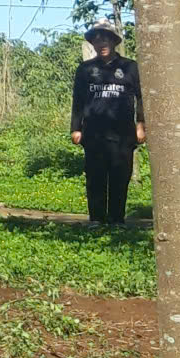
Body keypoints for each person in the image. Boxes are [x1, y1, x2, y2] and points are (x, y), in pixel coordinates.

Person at [70, 22, 146, 226]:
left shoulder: (130, 67)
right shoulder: (86, 69)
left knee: (120, 176)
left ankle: (116, 219)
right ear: (92, 43)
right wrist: (76, 128)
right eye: (96, 39)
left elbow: (142, 97)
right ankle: (96, 218)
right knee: (95, 176)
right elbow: (78, 100)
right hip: (94, 133)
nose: (101, 43)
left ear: (113, 41)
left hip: (122, 133)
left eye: (105, 38)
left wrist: (141, 124)